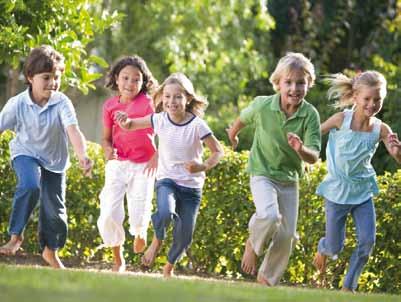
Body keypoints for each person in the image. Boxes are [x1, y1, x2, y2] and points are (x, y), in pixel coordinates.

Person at [115, 72, 224, 277]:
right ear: (162, 98)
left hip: (191, 187)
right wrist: (124, 120)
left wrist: (202, 166)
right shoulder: (159, 119)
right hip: (167, 180)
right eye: (167, 96)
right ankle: (157, 241)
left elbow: (218, 151)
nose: (171, 101)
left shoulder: (197, 125)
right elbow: (131, 124)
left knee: (184, 237)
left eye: (177, 97)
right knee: (165, 212)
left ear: (188, 99)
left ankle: (168, 268)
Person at [227, 52, 321, 286]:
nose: (294, 88)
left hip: (289, 179)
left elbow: (314, 156)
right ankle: (253, 244)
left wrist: (300, 149)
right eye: (288, 82)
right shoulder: (262, 105)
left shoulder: (310, 115)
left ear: (308, 84)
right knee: (269, 215)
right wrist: (232, 136)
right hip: (262, 173)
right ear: (278, 83)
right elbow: (241, 119)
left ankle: (266, 280)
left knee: (287, 235)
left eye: (301, 82)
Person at [0, 45, 92, 268]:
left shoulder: (61, 102)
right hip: (26, 153)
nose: (52, 82)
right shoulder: (17, 104)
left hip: (54, 160)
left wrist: (83, 155)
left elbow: (73, 130)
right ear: (30, 77)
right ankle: (16, 236)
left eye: (56, 77)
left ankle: (50, 251)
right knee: (31, 185)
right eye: (46, 77)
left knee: (56, 213)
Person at [313, 71, 401, 292]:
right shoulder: (341, 120)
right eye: (367, 99)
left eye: (377, 100)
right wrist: (301, 149)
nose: (372, 104)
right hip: (337, 192)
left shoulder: (382, 129)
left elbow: (397, 158)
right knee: (335, 248)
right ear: (355, 97)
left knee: (367, 242)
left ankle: (348, 288)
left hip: (362, 193)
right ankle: (324, 248)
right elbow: (314, 133)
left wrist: (398, 151)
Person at [97, 55, 158, 272]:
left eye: (136, 79)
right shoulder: (110, 106)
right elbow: (106, 138)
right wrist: (106, 150)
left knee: (140, 206)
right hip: (119, 162)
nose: (130, 84)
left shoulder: (149, 103)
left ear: (143, 82)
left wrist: (156, 155)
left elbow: (165, 129)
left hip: (144, 164)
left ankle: (140, 232)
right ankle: (117, 258)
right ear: (116, 78)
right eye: (125, 78)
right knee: (109, 211)